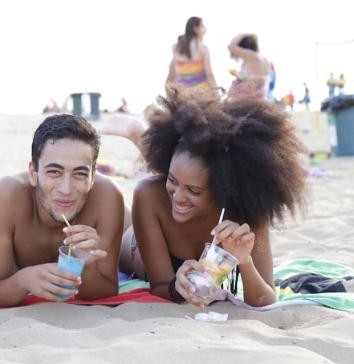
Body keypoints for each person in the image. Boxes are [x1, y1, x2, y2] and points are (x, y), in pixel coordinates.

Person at [118, 87, 307, 308]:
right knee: (125, 223)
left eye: (194, 191)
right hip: (133, 246)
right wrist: (175, 286)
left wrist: (245, 262)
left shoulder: (248, 212)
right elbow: (160, 286)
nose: (178, 197)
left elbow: (266, 300)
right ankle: (138, 136)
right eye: (172, 180)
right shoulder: (148, 194)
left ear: (223, 189)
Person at [0, 114, 124, 307]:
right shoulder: (5, 196)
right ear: (33, 173)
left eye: (80, 174)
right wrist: (23, 280)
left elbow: (107, 291)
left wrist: (87, 268)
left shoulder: (108, 196)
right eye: (54, 172)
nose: (66, 189)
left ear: (93, 177)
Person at [166, 17, 216, 90]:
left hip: (181, 91)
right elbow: (209, 74)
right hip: (200, 91)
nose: (205, 30)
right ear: (195, 29)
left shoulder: (176, 47)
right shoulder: (203, 48)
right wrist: (215, 90)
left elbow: (171, 71)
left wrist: (168, 90)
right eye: (202, 26)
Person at [227, 34, 272, 99]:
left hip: (246, 96)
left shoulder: (251, 55)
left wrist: (242, 34)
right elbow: (261, 80)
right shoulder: (265, 60)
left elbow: (231, 47)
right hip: (260, 96)